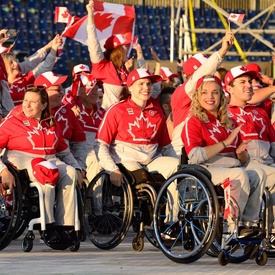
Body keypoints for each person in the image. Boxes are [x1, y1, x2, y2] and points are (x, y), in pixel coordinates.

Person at [182, 75, 265, 237]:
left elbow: (245, 161)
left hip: (232, 167)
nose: (210, 97)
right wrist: (224, 143)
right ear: (197, 96)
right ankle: (235, 225)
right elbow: (195, 156)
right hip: (206, 169)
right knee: (238, 174)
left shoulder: (230, 122)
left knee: (258, 174)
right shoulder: (193, 121)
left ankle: (249, 223)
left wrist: (242, 155)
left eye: (215, 92)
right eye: (205, 93)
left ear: (221, 95)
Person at [0, 86, 81, 246]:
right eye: (25, 101)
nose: (26, 105)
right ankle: (47, 226)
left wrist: (78, 168)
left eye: (32, 102)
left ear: (44, 105)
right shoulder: (12, 122)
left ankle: (65, 225)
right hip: (21, 159)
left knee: (70, 173)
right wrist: (3, 170)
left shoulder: (51, 123)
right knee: (45, 171)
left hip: (50, 158)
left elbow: (64, 152)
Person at [95, 68, 179, 187]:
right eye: (141, 84)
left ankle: (173, 206)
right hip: (126, 161)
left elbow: (166, 147)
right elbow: (100, 144)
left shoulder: (157, 112)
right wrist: (112, 169)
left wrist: (182, 166)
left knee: (177, 168)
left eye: (149, 84)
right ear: (130, 88)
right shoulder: (117, 110)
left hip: (151, 160)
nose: (146, 88)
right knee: (141, 176)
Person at [225, 65, 275, 244]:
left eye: (250, 81)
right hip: (245, 165)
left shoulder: (261, 113)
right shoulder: (224, 115)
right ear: (229, 88)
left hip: (266, 164)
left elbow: (273, 146)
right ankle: (272, 234)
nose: (249, 85)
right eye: (242, 82)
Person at [170, 31, 234, 156]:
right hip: (183, 153)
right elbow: (197, 79)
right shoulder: (182, 92)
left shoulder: (213, 92)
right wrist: (222, 52)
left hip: (210, 150)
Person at [34, 71, 87, 187]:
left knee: (71, 173)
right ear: (43, 91)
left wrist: (81, 167)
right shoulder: (28, 112)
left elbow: (79, 142)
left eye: (61, 89)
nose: (62, 93)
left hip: (63, 159)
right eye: (57, 90)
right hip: (34, 158)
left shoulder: (68, 111)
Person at [0, 34, 63, 118]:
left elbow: (45, 66)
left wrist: (53, 48)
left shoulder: (26, 79)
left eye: (16, 61)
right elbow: (30, 61)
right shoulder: (2, 84)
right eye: (11, 63)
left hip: (26, 123)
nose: (16, 64)